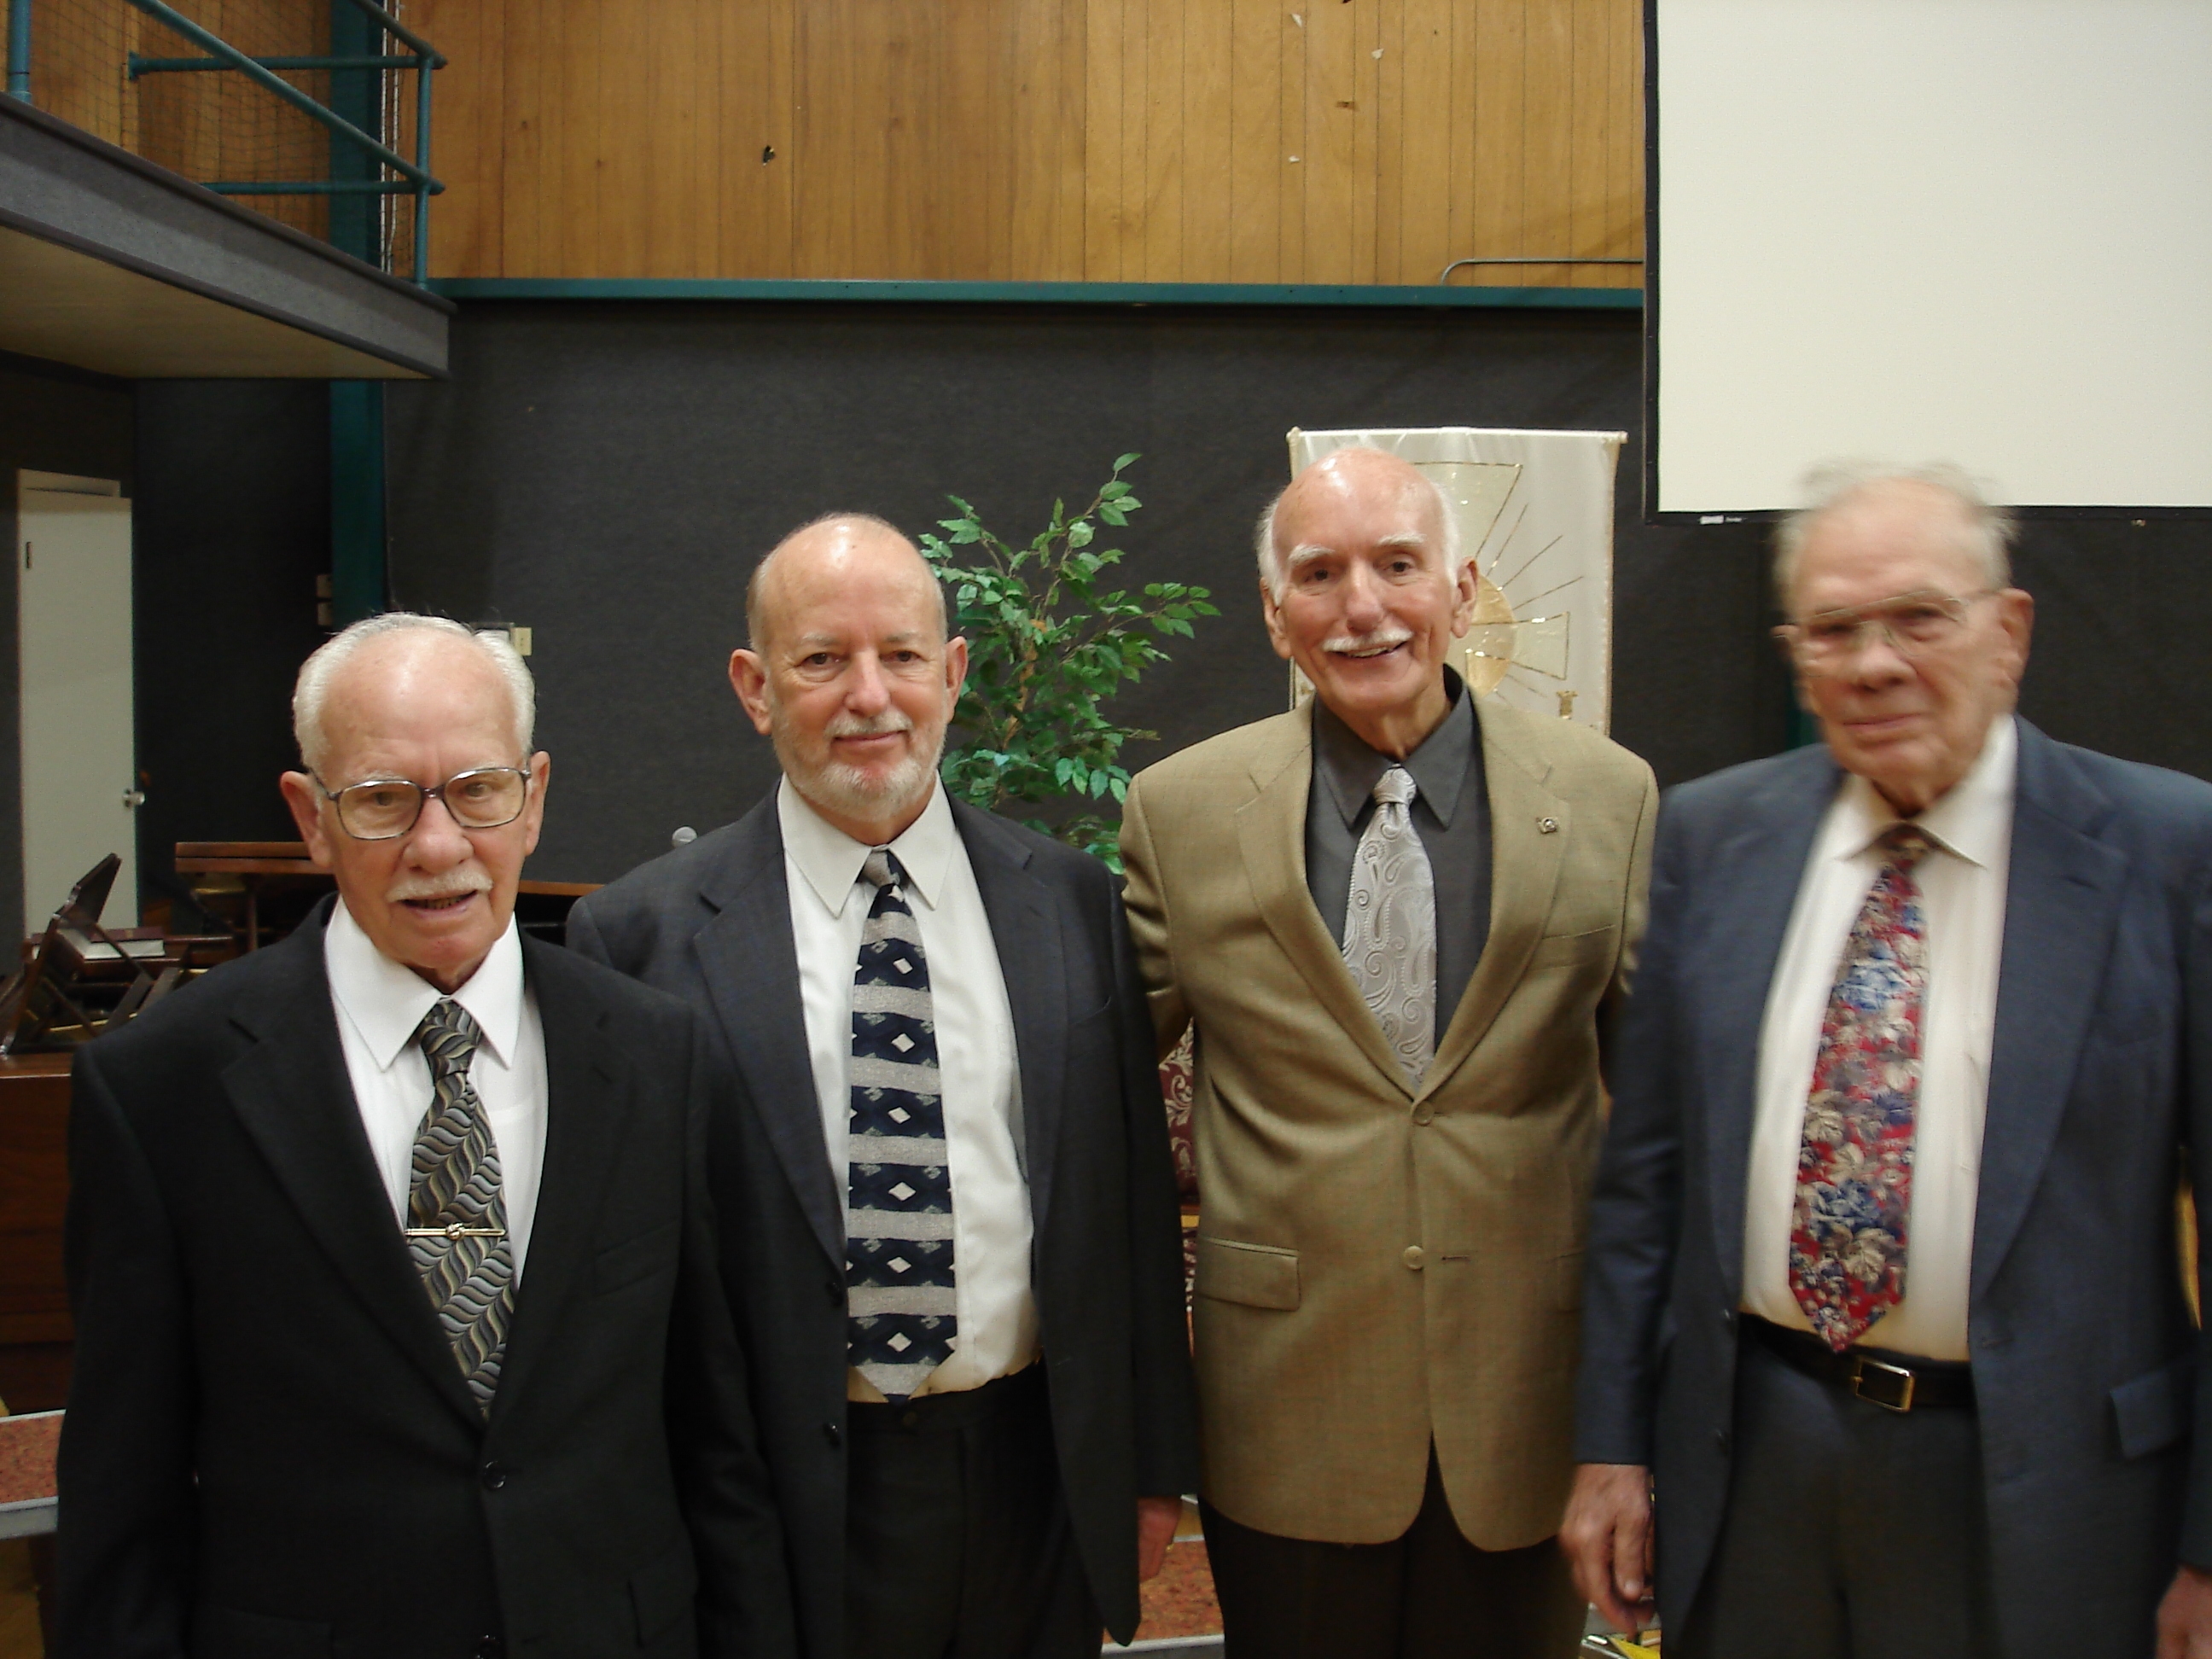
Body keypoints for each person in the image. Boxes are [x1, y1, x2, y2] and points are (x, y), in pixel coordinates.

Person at [1566, 463, 2212, 1659]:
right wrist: (1611, 1447)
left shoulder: (2169, 853)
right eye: (1833, 629)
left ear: (2009, 632)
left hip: (2054, 1500)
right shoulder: (1714, 837)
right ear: (1795, 656)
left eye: (1920, 617)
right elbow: (1643, 1186)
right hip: (1752, 1470)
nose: (1873, 663)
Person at [55, 614, 793, 1658]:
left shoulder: (653, 1055)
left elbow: (714, 1439)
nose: (438, 846)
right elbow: (119, 1505)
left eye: (479, 790)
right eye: (382, 799)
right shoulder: (164, 1091)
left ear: (534, 798)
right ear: (311, 817)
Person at [568, 514, 1199, 1659]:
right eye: (822, 659)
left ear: (952, 674)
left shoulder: (1070, 903)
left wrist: (1151, 1467)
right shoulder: (639, 939)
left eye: (902, 655)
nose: (870, 696)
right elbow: (628, 1286)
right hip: (780, 1498)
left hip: (1036, 1477)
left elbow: (1132, 1207)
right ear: (755, 688)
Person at [1117, 446, 1657, 1658]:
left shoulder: (1608, 797)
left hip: (1528, 1414)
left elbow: (1667, 1130)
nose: (1362, 606)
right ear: (1276, 615)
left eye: (1398, 565)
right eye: (1320, 574)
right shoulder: (1181, 810)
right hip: (1286, 1415)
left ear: (1461, 592)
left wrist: (1641, 1420)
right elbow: (1091, 1110)